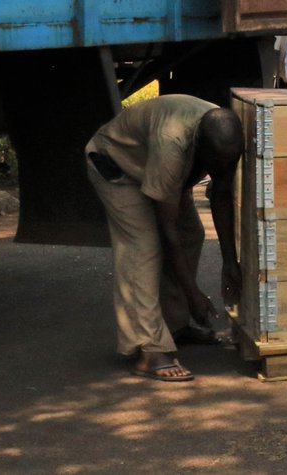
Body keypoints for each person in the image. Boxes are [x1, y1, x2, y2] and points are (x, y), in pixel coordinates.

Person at [84, 95, 244, 382]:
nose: (220, 168)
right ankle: (149, 350)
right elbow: (166, 230)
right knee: (142, 248)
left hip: (151, 164)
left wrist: (230, 262)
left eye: (225, 163)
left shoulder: (226, 137)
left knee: (192, 234)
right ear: (199, 148)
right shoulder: (172, 145)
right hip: (117, 164)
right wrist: (193, 292)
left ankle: (174, 325)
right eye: (214, 163)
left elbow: (221, 195)